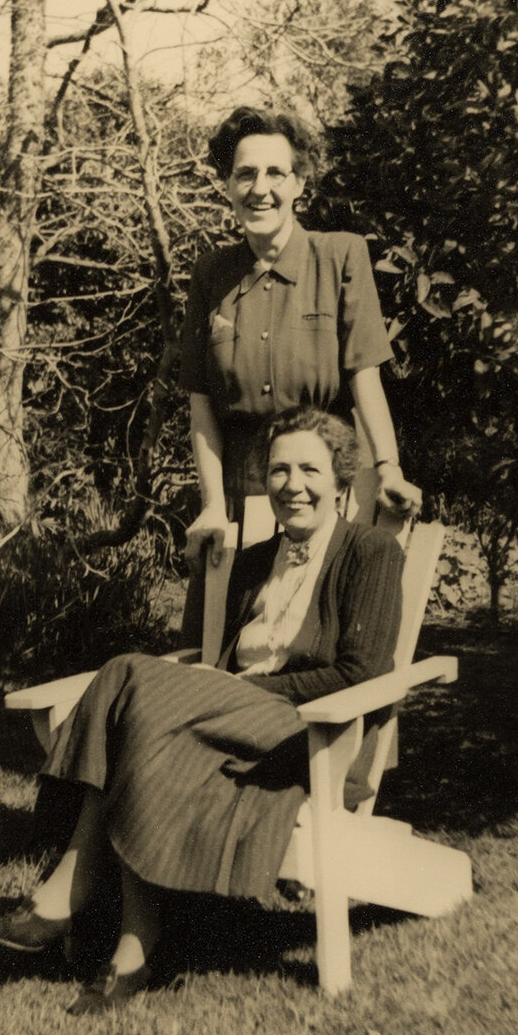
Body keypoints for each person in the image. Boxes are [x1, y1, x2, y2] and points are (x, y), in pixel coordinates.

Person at [0, 406, 404, 1015]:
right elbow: (216, 661)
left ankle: (70, 897)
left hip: (308, 735)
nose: (292, 485)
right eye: (279, 470)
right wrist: (214, 682)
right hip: (220, 724)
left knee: (129, 674)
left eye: (310, 469)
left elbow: (361, 673)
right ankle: (133, 951)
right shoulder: (253, 562)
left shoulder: (370, 551)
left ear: (340, 480)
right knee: (142, 715)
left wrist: (238, 690)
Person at [178, 107, 419, 644]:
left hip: (326, 489)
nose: (259, 189)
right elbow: (201, 405)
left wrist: (388, 468)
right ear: (227, 185)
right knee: (213, 646)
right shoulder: (211, 273)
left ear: (299, 184)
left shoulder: (340, 255)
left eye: (275, 173)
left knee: (321, 646)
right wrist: (213, 505)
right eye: (245, 174)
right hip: (241, 495)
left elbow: (365, 378)